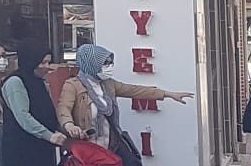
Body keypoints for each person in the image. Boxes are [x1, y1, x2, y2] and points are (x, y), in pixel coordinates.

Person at [57, 41, 192, 146]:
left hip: (109, 144)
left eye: (110, 63)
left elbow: (135, 90)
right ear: (92, 64)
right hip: (85, 147)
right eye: (105, 64)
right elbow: (64, 108)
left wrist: (168, 94)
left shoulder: (108, 84)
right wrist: (69, 125)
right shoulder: (73, 85)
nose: (109, 67)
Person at [0, 44, 68, 166]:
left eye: (48, 62)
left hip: (42, 147)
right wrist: (49, 135)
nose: (46, 66)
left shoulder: (40, 82)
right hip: (22, 149)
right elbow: (23, 117)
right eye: (43, 62)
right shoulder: (15, 82)